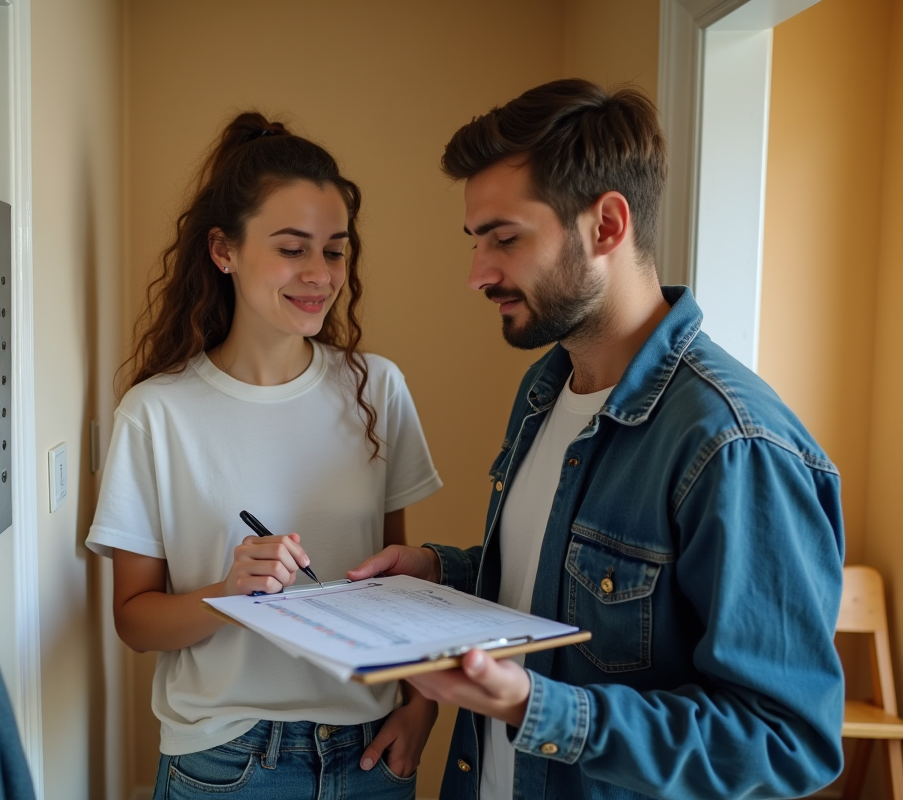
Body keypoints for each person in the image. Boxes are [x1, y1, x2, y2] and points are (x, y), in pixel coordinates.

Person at [349, 79, 845, 800]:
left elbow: (783, 742)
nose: (477, 275)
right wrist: (444, 571)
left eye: (505, 238)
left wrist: (535, 707)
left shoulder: (736, 445)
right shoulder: (546, 389)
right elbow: (560, 588)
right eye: (477, 240)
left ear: (607, 225)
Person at [87, 112, 442, 799]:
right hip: (226, 762)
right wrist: (228, 594)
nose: (319, 274)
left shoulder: (378, 389)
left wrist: (421, 709)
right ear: (224, 250)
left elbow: (399, 582)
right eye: (292, 248)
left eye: (335, 250)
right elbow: (133, 620)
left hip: (370, 753)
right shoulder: (157, 413)